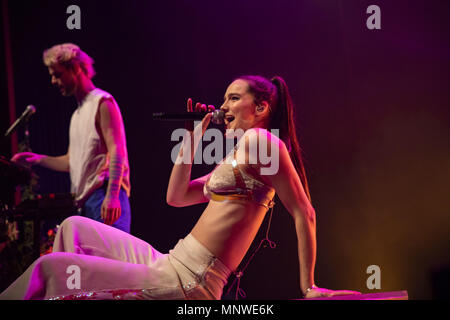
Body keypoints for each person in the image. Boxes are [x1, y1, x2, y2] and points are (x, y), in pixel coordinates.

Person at [0, 75, 359, 300]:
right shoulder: (237, 155)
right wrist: (192, 136)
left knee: (50, 269)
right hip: (172, 261)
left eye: (234, 98)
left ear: (261, 107)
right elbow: (176, 197)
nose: (223, 106)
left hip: (191, 282)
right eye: (224, 98)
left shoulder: (264, 142)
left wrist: (308, 286)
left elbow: (304, 211)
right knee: (73, 228)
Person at [11, 43, 131, 233]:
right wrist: (37, 159)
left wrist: (113, 195)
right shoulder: (76, 116)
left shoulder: (102, 102)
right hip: (85, 203)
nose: (53, 81)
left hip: (102, 196)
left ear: (75, 68)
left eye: (57, 75)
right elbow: (70, 162)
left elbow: (118, 151)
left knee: (112, 261)